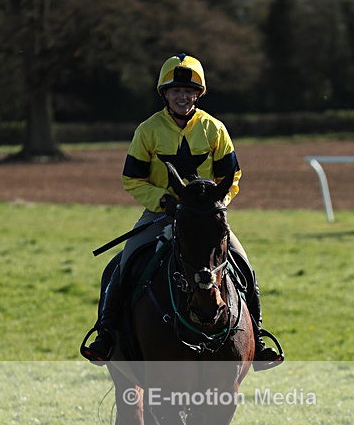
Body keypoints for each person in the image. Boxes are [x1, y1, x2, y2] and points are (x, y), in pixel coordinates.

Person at [81, 53, 283, 369]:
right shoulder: (147, 130)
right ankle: (105, 335)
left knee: (244, 266)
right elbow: (132, 179)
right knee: (123, 264)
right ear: (165, 93)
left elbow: (232, 177)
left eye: (189, 91)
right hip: (160, 213)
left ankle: (257, 336)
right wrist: (163, 201)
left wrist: (216, 207)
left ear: (198, 94)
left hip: (206, 217)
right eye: (175, 90)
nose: (182, 96)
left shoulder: (215, 129)